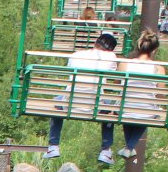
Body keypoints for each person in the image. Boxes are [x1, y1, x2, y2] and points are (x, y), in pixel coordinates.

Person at [45, 31, 119, 164]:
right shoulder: (111, 57)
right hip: (95, 106)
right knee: (110, 108)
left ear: (95, 43)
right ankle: (106, 150)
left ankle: (53, 145)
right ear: (111, 49)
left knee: (57, 101)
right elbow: (113, 78)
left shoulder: (76, 55)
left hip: (69, 104)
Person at [117, 30, 165, 159]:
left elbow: (117, 84)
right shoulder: (159, 68)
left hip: (124, 109)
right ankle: (129, 147)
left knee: (128, 110)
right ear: (154, 50)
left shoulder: (125, 64)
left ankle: (129, 147)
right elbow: (161, 95)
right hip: (146, 112)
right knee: (145, 113)